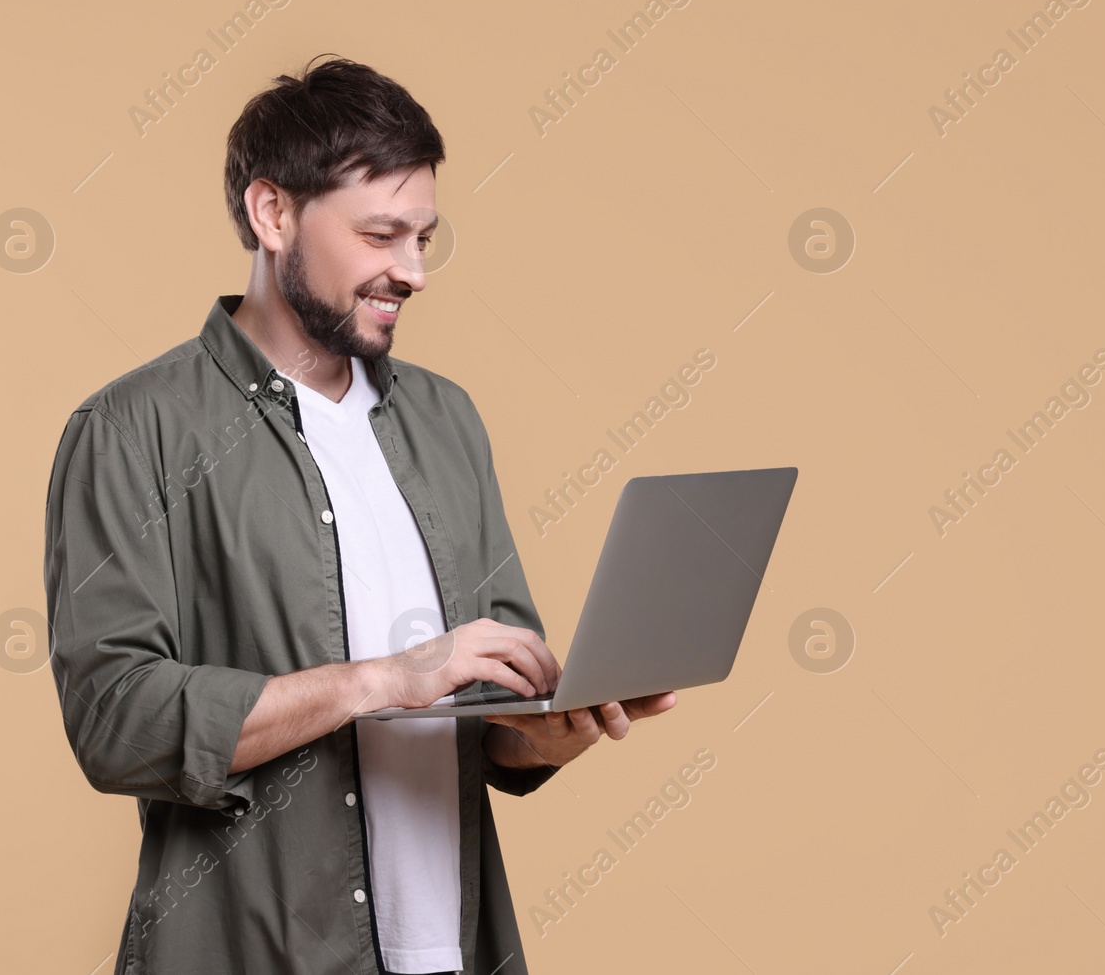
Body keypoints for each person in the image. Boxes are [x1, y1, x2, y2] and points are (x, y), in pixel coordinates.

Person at [42, 54, 675, 975]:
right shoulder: (133, 429)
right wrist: (385, 678)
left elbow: (493, 707)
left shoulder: (446, 418)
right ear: (273, 215)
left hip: (455, 949)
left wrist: (548, 731)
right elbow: (115, 719)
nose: (413, 270)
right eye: (382, 235)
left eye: (423, 236)